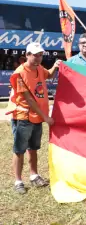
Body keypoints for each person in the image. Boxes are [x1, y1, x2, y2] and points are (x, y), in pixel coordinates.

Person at [7, 42, 61, 194]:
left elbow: (48, 75)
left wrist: (55, 66)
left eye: (40, 55)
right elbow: (29, 99)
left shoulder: (39, 68)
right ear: (27, 55)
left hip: (37, 117)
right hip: (23, 116)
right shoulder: (19, 73)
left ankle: (34, 175)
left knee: (34, 148)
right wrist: (46, 116)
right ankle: (18, 181)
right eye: (35, 55)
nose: (38, 58)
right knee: (19, 149)